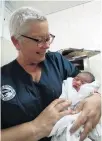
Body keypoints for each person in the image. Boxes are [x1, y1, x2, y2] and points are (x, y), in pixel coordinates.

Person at [1, 7, 101, 141]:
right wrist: (35, 128)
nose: (47, 45)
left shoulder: (56, 61)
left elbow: (85, 84)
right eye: (39, 40)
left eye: (48, 38)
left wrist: (97, 98)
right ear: (16, 42)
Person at [49, 72, 101, 141]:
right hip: (68, 117)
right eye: (76, 79)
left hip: (83, 118)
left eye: (83, 83)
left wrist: (97, 96)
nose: (78, 82)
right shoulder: (68, 88)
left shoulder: (87, 91)